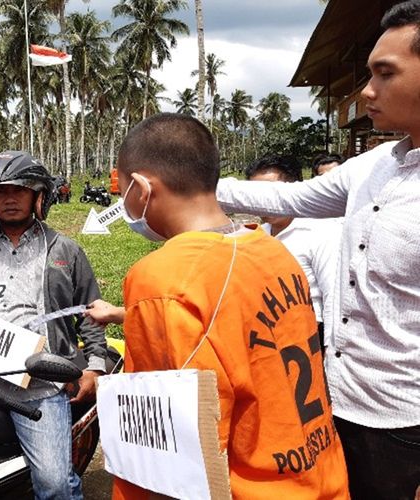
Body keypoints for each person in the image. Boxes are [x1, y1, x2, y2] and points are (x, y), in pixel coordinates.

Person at [216, 3, 420, 498]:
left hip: (406, 425)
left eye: (384, 73)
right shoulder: (374, 164)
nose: (366, 91)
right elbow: (288, 199)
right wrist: (193, 183)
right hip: (334, 400)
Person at [103, 113, 348, 499]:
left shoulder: (164, 279)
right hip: (320, 475)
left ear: (140, 187)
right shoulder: (273, 251)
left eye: (122, 190)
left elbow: (169, 446)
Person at [0, 151, 107, 500]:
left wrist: (96, 368)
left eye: (19, 190)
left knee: (55, 484)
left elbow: (91, 311)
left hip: (39, 382)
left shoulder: (65, 250)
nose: (9, 199)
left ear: (38, 195)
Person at [245, 155, 340, 347]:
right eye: (255, 194)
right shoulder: (256, 235)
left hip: (311, 332)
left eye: (271, 193)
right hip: (268, 334)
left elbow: (333, 296)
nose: (263, 201)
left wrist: (331, 351)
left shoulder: (320, 232)